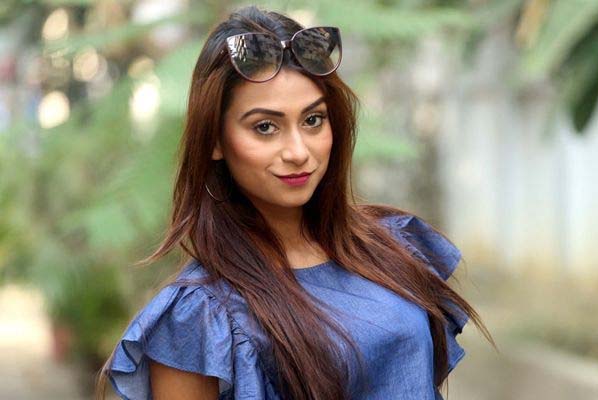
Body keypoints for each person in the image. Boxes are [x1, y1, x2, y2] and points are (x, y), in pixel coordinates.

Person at [94, 5, 496, 400]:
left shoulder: (389, 245)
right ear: (215, 140)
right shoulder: (199, 317)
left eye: (313, 120)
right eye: (265, 127)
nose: (298, 152)